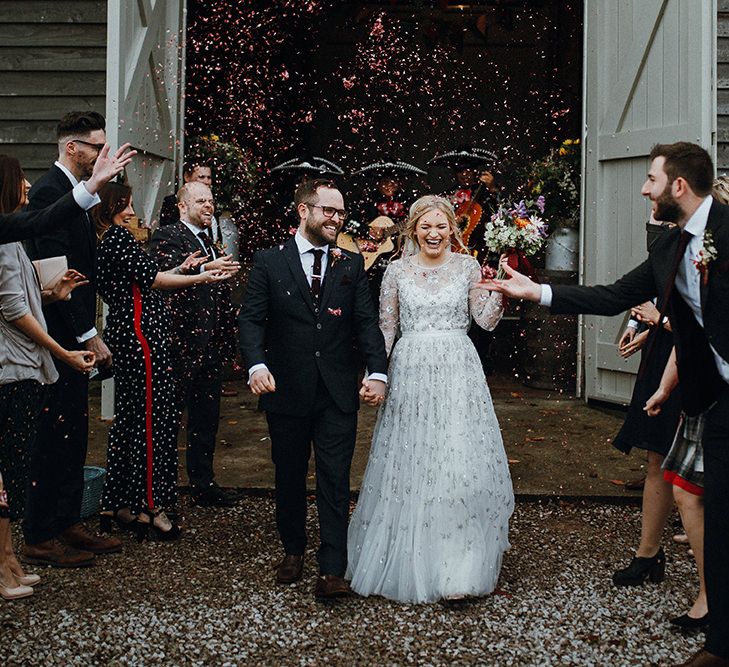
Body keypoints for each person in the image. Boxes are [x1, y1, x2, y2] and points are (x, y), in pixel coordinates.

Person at [484, 142, 729, 667]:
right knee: (720, 508)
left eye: (651, 179)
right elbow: (613, 296)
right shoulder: (668, 248)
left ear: (678, 187)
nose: (644, 188)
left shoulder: (727, 231)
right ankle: (722, 645)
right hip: (715, 395)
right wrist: (538, 293)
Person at [346, 195, 514, 603]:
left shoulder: (468, 266)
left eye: (441, 226)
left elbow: (485, 321)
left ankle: (459, 568)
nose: (433, 233)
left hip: (458, 370)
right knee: (413, 460)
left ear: (452, 229)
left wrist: (503, 289)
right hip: (411, 372)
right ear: (413, 230)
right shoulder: (396, 270)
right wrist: (375, 374)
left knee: (457, 460)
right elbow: (387, 329)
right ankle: (410, 557)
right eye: (425, 226)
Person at [238, 178, 388, 599]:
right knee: (288, 474)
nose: (336, 219)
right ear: (303, 210)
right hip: (285, 388)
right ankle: (293, 549)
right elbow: (251, 320)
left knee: (335, 478)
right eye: (328, 210)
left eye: (341, 212)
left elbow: (365, 323)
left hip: (337, 391)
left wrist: (377, 371)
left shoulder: (350, 264)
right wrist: (256, 365)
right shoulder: (269, 261)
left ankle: (332, 567)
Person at [93, 183, 235, 540]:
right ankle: (153, 507)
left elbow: (139, 281)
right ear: (109, 208)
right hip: (141, 337)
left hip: (129, 332)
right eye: (124, 206)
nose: (131, 212)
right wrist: (204, 275)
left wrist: (186, 267)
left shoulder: (110, 242)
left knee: (130, 421)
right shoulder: (119, 240)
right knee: (154, 423)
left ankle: (119, 503)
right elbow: (153, 280)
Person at [23, 111, 123, 566]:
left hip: (75, 331)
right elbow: (57, 272)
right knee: (53, 435)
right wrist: (89, 334)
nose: (101, 154)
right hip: (57, 336)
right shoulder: (47, 192)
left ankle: (68, 521)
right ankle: (41, 535)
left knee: (74, 431)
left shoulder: (75, 193)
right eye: (95, 147)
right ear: (71, 147)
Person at [1, 155, 97, 598]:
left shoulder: (11, 236)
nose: (26, 184)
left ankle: (10, 559)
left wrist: (50, 291)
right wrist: (65, 351)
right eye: (17, 178)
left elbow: (22, 295)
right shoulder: (6, 237)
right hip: (11, 367)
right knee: (9, 469)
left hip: (22, 365)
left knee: (12, 470)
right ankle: (10, 559)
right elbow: (13, 311)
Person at [150, 182, 242, 508]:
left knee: (206, 419)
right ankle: (161, 489)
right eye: (200, 200)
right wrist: (205, 267)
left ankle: (203, 484)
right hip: (180, 345)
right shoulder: (168, 236)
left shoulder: (212, 241)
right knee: (168, 419)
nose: (208, 205)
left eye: (211, 200)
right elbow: (165, 272)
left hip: (210, 346)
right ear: (182, 206)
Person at [609, 219, 681, 588]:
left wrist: (661, 321)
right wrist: (641, 328)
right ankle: (648, 553)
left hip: (691, 365)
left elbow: (707, 325)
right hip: (660, 358)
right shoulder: (668, 248)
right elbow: (648, 294)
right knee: (657, 457)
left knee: (688, 470)